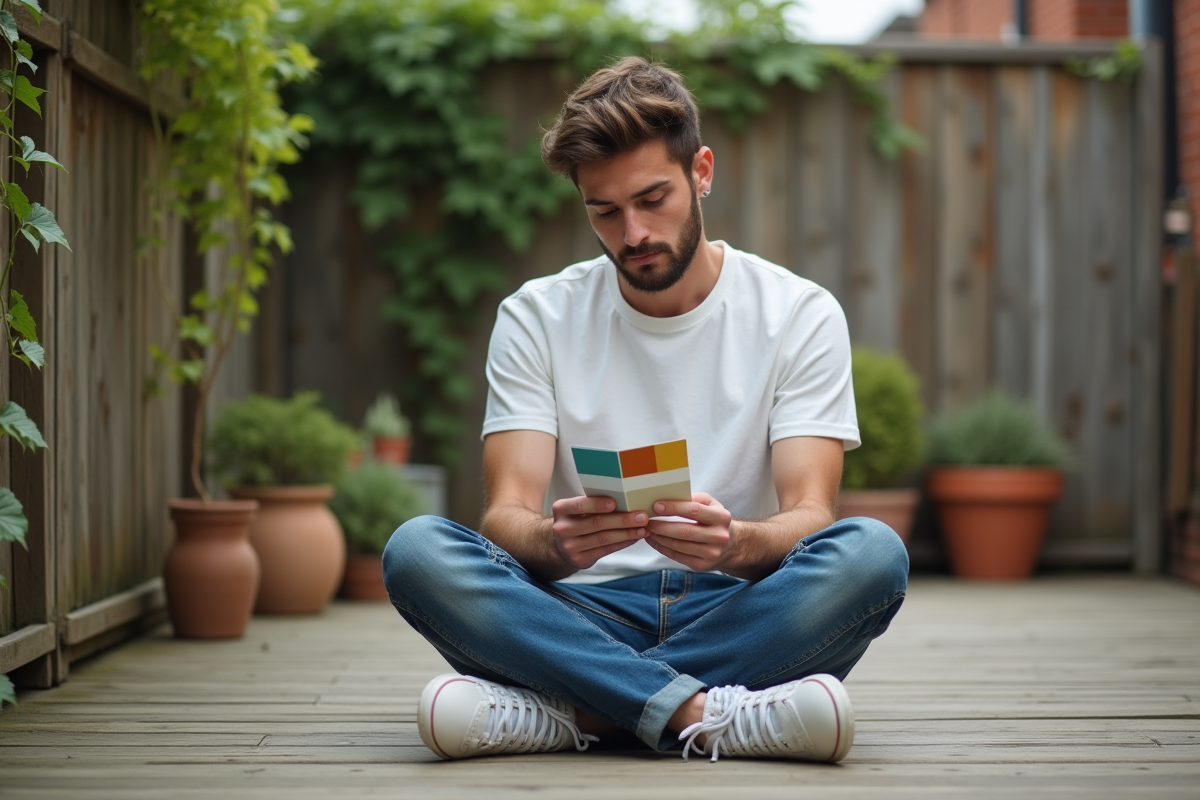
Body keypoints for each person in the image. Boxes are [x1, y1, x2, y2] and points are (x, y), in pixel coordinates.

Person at [383, 56, 909, 764]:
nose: (632, 233)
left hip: (738, 609)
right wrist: (553, 544)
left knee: (872, 553)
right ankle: (706, 713)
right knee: (416, 551)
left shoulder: (798, 313)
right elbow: (506, 512)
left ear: (702, 172)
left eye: (652, 198)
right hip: (577, 612)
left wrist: (738, 545)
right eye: (604, 210)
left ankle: (573, 714)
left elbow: (811, 513)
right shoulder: (536, 316)